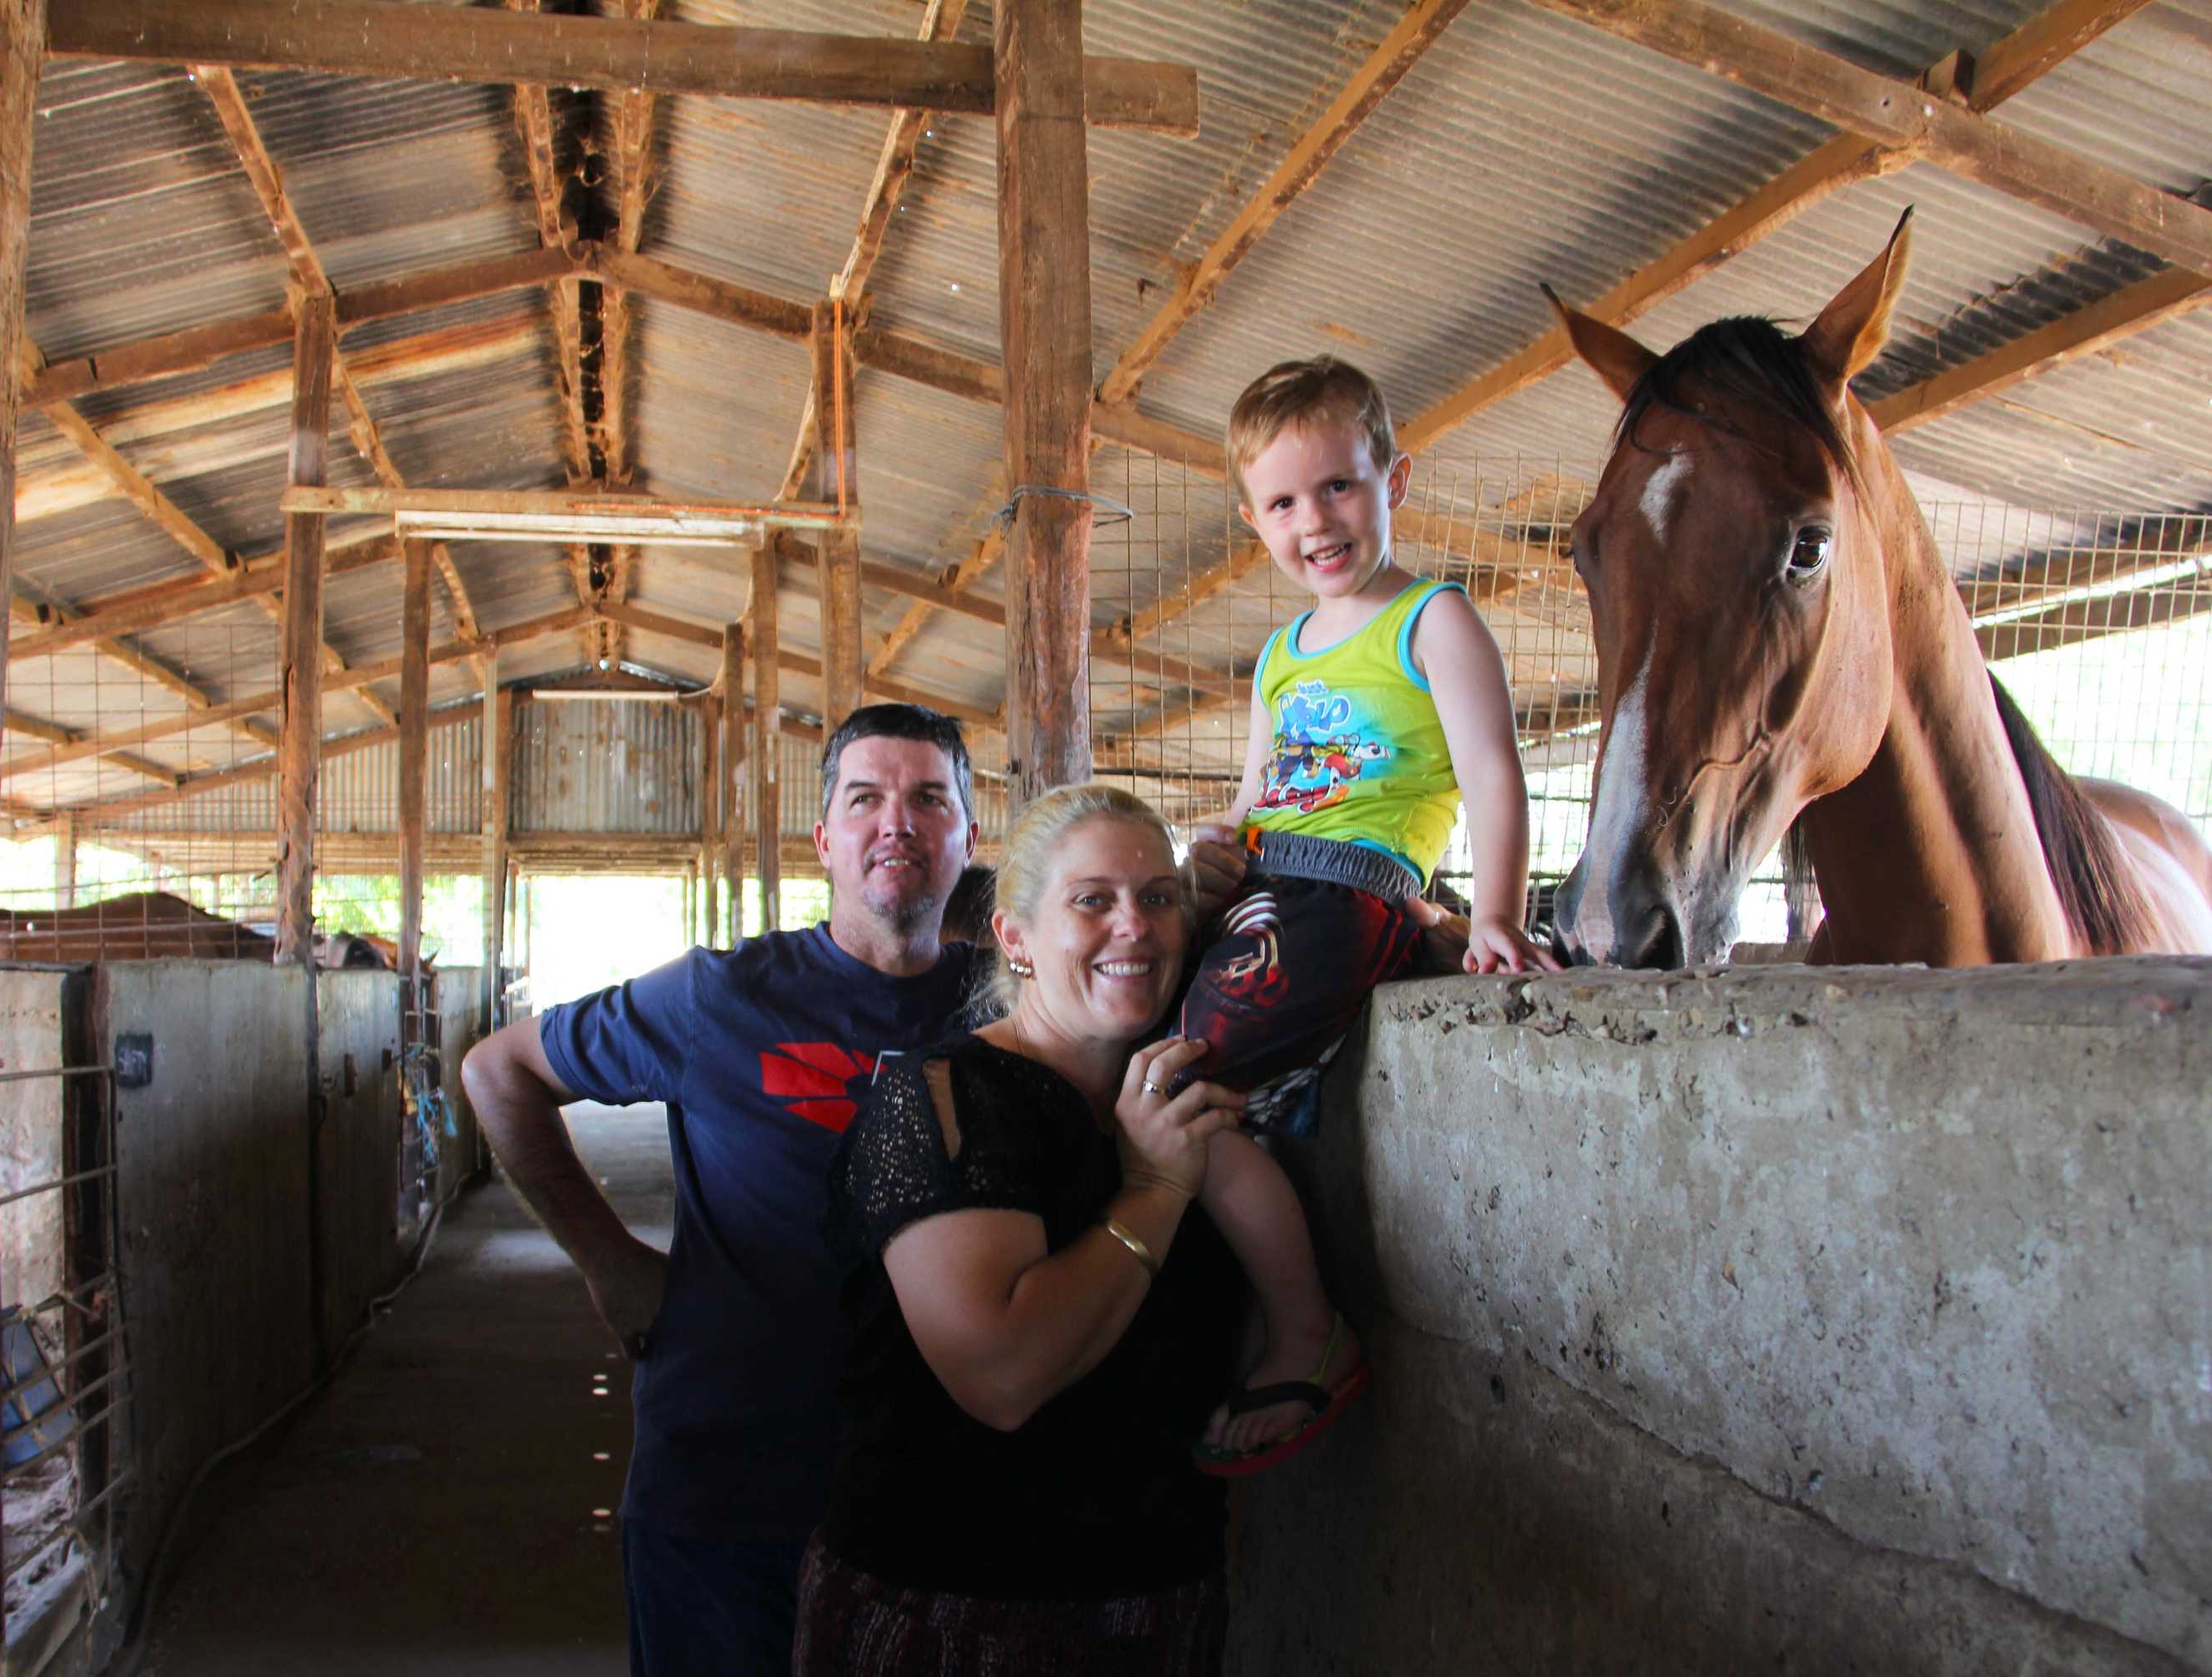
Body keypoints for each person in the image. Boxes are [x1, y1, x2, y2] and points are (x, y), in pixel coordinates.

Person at [461, 704, 982, 1677]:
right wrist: (611, 1263)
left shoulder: (1009, 1002)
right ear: (825, 838)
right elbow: (499, 1071)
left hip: (938, 1491)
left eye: (929, 799)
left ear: (969, 834)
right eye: (865, 798)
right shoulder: (722, 996)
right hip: (728, 1482)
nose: (897, 823)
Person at [1173, 354, 1562, 1468]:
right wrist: (1213, 855)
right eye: (1285, 502)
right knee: (1144, 1065)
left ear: (1396, 477)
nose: (1317, 521)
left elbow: (1493, 770)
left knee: (1181, 1093)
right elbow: (1259, 796)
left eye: (1340, 485)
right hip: (1269, 878)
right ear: (1255, 521)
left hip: (1353, 888)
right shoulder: (1281, 654)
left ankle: (1310, 1330)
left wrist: (1492, 912)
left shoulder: (1432, 619)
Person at [798, 783, 1256, 1673]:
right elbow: (1000, 1373)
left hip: (1160, 1598)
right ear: (1015, 937)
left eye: (1159, 897)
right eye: (1094, 900)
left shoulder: (1183, 1096)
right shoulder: (937, 1098)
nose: (1135, 925)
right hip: (947, 1614)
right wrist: (1155, 1185)